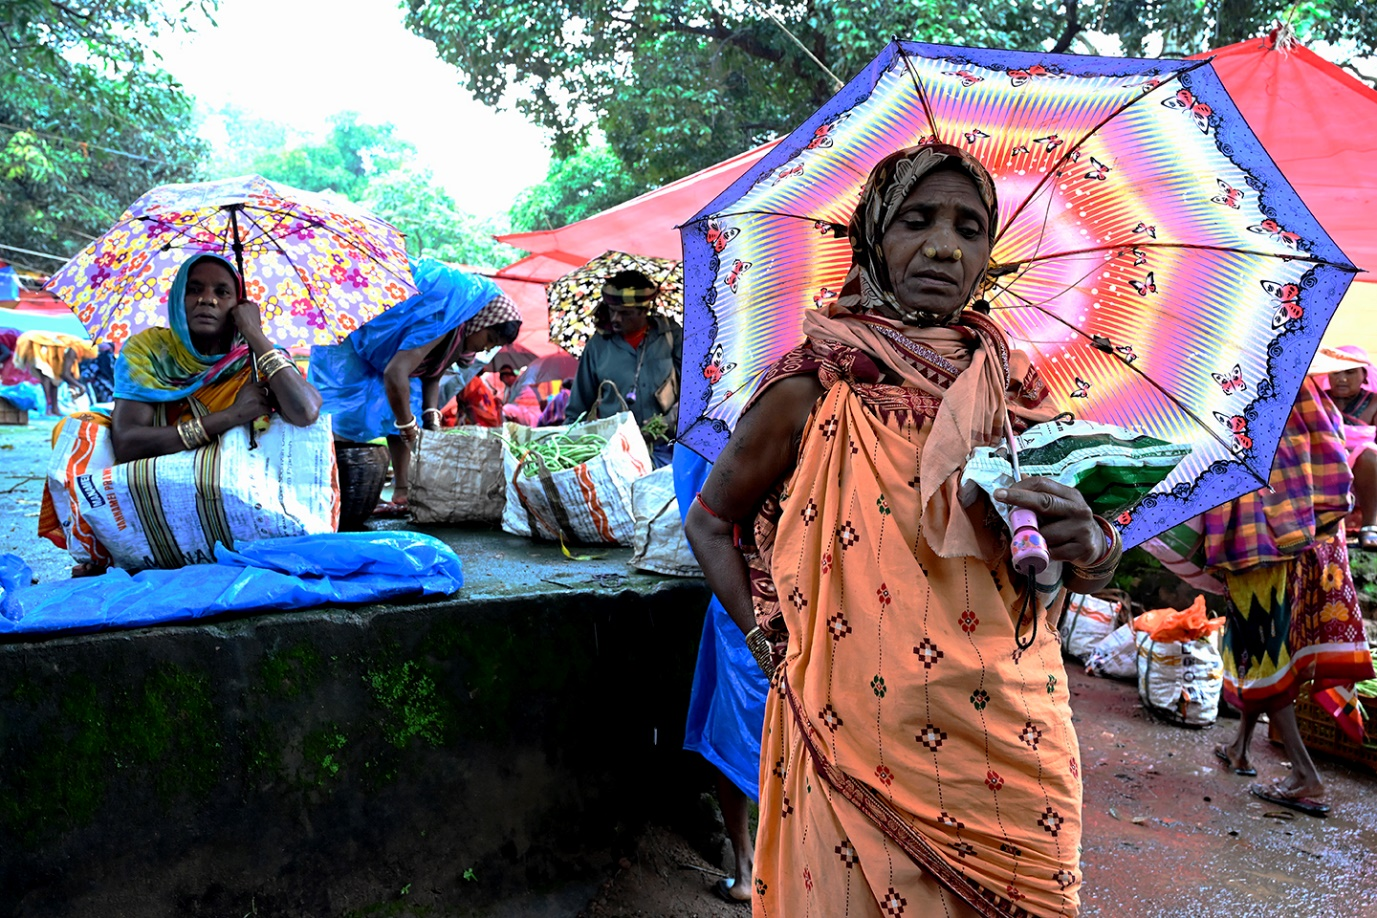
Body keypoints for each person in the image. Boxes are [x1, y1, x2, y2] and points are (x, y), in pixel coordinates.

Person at [684, 143, 1119, 917]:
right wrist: (773, 641)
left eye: (969, 227)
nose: (944, 246)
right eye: (916, 220)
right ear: (873, 238)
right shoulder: (814, 383)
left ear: (990, 252)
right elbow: (712, 522)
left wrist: (1086, 540)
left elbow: (1086, 563)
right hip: (848, 723)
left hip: (1011, 724)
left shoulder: (1017, 398)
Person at [37, 253, 324, 574]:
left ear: (239, 304)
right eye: (195, 289)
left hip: (241, 487)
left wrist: (256, 334)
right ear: (177, 299)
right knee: (77, 429)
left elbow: (306, 410)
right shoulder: (148, 350)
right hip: (156, 482)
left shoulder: (255, 356)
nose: (207, 299)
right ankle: (111, 552)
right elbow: (129, 443)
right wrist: (231, 416)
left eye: (222, 292)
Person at [1209, 375, 1374, 816]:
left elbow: (1252, 469)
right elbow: (1332, 468)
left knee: (1263, 652)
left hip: (1264, 538)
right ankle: (1239, 746)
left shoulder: (1252, 392)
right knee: (1260, 647)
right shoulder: (1303, 384)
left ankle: (1305, 774)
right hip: (1313, 537)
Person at [309, 259, 521, 513]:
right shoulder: (445, 319)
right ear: (482, 320)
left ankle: (402, 491)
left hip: (393, 356)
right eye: (489, 339)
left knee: (407, 404)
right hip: (354, 332)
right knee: (349, 413)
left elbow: (432, 372)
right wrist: (409, 426)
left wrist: (430, 417)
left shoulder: (460, 335)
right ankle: (339, 492)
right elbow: (396, 372)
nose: (486, 348)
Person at [566, 270, 682, 467]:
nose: (616, 319)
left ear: (644, 311)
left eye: (625, 313)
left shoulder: (671, 336)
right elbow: (577, 410)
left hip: (670, 450)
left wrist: (670, 420)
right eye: (612, 311)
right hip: (618, 455)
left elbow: (697, 391)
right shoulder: (597, 346)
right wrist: (571, 450)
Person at [1323, 344, 1377, 550]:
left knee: (1369, 453)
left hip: (1367, 473)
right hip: (1325, 462)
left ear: (1364, 375)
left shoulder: (1374, 402)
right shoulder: (1318, 399)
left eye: (1350, 372)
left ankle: (1370, 525)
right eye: (1336, 373)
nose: (1342, 378)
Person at [13, 330, 96, 415]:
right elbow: (65, 374)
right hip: (36, 346)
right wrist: (80, 386)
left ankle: (55, 409)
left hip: (48, 354)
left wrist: (75, 385)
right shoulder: (73, 350)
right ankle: (47, 408)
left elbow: (61, 375)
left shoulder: (76, 349)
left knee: (55, 381)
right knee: (46, 377)